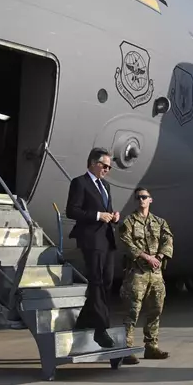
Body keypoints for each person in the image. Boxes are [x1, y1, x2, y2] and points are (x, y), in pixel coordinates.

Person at [65, 147, 120, 348]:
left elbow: (106, 211)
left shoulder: (105, 186)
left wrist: (113, 216)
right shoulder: (80, 183)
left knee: (106, 281)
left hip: (106, 238)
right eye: (104, 166)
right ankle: (101, 329)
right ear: (93, 164)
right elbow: (72, 210)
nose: (107, 170)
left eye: (109, 167)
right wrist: (97, 215)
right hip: (90, 239)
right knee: (96, 280)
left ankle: (84, 320)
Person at [118, 187, 174, 364]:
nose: (141, 200)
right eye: (138, 198)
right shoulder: (128, 221)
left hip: (156, 273)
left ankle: (151, 347)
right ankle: (127, 350)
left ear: (151, 200)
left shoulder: (159, 222)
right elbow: (127, 243)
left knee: (155, 310)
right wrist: (147, 257)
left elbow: (168, 239)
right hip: (137, 273)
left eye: (144, 197)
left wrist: (159, 256)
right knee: (132, 312)